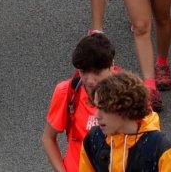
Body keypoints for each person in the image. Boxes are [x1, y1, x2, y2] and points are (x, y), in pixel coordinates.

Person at [80, 70, 171, 171]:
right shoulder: (93, 139)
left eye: (104, 109)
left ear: (125, 107)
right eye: (97, 107)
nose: (97, 115)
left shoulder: (164, 152)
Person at [42, 33, 118, 172]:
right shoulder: (66, 92)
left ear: (112, 66)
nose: (89, 80)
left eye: (97, 72)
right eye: (84, 72)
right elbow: (48, 138)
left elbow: (147, 140)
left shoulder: (131, 94)